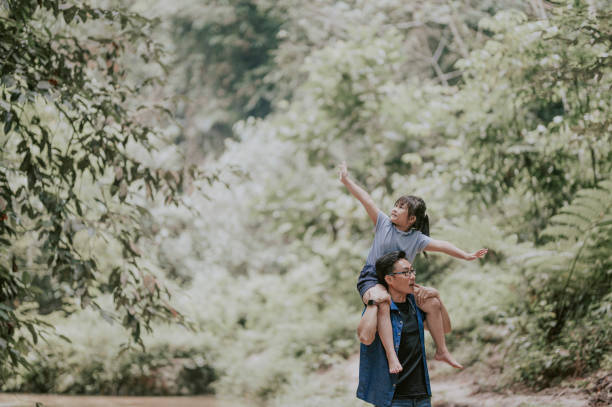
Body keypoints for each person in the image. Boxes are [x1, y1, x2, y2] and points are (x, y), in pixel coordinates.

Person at [339, 162, 487, 372]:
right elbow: (367, 199)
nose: (394, 209)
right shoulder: (383, 223)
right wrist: (346, 180)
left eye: (401, 208)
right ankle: (392, 358)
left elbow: (443, 245)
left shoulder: (417, 239)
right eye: (395, 205)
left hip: (401, 281)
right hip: (373, 278)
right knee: (383, 301)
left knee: (433, 302)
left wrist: (466, 255)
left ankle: (442, 351)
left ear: (412, 219)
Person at [357, 250, 443, 407]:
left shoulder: (416, 305)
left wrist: (437, 297)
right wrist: (372, 302)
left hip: (422, 395)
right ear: (389, 279)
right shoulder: (379, 307)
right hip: (393, 398)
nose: (412, 276)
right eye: (406, 273)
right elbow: (364, 337)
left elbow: (446, 328)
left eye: (412, 271)